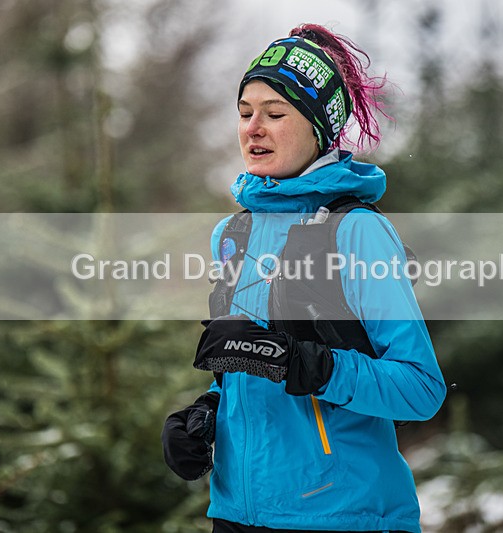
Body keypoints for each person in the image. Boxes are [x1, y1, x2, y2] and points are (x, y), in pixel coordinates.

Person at [162, 24, 446, 533]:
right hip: (236, 514)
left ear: (318, 130)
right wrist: (206, 417)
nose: (253, 128)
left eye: (274, 114)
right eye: (245, 113)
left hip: (343, 516)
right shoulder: (234, 233)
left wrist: (311, 366)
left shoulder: (356, 232)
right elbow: (247, 366)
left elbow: (420, 389)